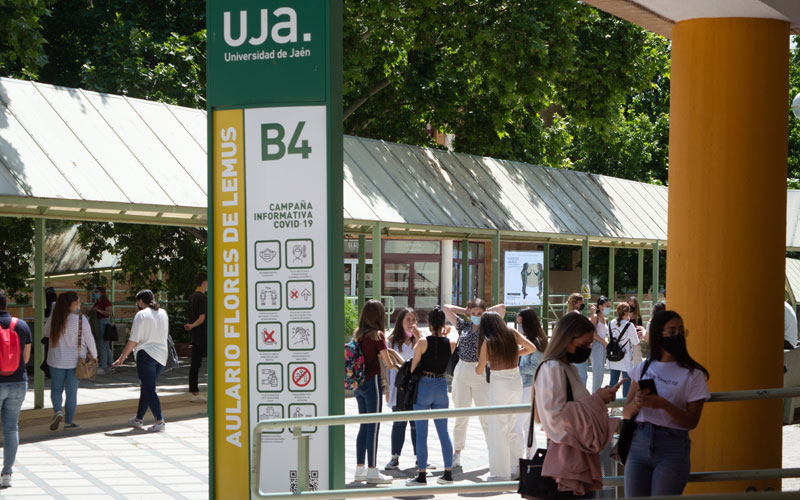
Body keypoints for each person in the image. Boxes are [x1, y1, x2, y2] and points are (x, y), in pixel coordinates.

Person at [623, 310, 710, 496]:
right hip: (638, 444)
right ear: (658, 334)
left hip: (673, 447)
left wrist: (663, 404)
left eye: (681, 331)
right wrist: (637, 403)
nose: (677, 336)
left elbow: (692, 421)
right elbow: (625, 413)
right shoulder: (643, 368)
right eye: (671, 331)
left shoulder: (693, 374)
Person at [533, 313, 620, 498]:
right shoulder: (553, 368)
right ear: (567, 338)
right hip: (568, 462)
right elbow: (556, 418)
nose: (588, 349)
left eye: (590, 344)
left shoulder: (567, 368)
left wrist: (598, 398)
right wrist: (597, 399)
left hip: (576, 457)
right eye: (585, 344)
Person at [443, 298, 506, 467]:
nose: (476, 316)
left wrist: (485, 313)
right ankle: (457, 453)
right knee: (460, 414)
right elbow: (446, 308)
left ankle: (493, 452)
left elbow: (502, 308)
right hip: (462, 369)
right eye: (474, 313)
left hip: (480, 370)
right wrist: (466, 311)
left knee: (485, 415)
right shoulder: (464, 325)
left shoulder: (489, 327)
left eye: (479, 313)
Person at [476, 312, 535, 481]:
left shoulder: (488, 342)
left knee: (498, 428)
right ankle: (516, 467)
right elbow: (532, 348)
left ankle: (500, 473)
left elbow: (479, 369)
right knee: (512, 426)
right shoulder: (512, 333)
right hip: (515, 380)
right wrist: (516, 353)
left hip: (499, 383)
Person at [406, 306, 457, 486]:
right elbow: (444, 347)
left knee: (421, 433)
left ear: (428, 323)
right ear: (444, 324)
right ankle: (448, 473)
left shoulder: (422, 343)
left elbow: (413, 367)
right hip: (441, 386)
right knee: (444, 432)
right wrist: (445, 334)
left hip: (424, 386)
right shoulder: (451, 343)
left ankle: (421, 475)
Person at [112, 290, 169, 432]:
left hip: (146, 354)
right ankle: (138, 419)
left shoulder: (141, 315)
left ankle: (160, 421)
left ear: (140, 301)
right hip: (162, 356)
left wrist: (122, 357)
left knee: (149, 389)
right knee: (146, 387)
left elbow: (133, 340)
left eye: (137, 301)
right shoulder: (163, 313)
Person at [351, 300, 393, 484]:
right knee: (374, 426)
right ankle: (372, 470)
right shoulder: (377, 335)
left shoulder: (358, 334)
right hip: (372, 383)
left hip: (358, 383)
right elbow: (388, 363)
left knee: (364, 425)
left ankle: (359, 469)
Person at [44, 291, 97, 431]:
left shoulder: (54, 317)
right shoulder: (81, 319)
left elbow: (45, 333)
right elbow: (89, 339)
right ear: (73, 303)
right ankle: (69, 422)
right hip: (76, 361)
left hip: (56, 359)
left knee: (56, 389)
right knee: (71, 392)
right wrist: (95, 355)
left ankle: (58, 411)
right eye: (79, 301)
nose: (80, 304)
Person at [0, 290, 32, 488]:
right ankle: (7, 474)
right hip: (19, 381)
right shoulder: (21, 325)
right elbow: (26, 358)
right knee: (11, 428)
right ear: (7, 303)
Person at [385, 308, 420, 470]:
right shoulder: (391, 342)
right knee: (399, 423)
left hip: (416, 388)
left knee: (416, 424)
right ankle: (395, 457)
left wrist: (418, 338)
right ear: (401, 322)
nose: (411, 323)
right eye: (408, 319)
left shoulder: (420, 340)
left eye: (414, 320)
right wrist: (386, 389)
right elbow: (386, 368)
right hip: (398, 388)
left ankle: (420, 457)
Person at [514, 307, 547, 454]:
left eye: (521, 323)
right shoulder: (530, 341)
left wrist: (516, 369)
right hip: (527, 386)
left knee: (517, 425)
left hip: (529, 386)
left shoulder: (536, 342)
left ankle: (518, 459)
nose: (519, 326)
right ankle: (531, 457)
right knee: (527, 426)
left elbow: (535, 367)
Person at [184, 273, 208, 402]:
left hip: (195, 335)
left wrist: (191, 326)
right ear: (205, 283)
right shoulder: (202, 298)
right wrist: (192, 325)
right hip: (204, 334)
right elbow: (202, 318)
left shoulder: (192, 296)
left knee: (195, 364)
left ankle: (194, 392)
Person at [608, 302, 639, 398]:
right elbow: (635, 342)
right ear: (628, 312)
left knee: (613, 381)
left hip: (613, 355)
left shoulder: (611, 323)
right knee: (626, 381)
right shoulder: (629, 325)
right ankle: (625, 402)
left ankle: (610, 402)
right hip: (625, 357)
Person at [566, 293, 589, 386]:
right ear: (576, 303)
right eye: (581, 302)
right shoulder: (577, 315)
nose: (583, 304)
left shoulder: (567, 315)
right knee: (582, 377)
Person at [589, 296, 611, 393]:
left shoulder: (603, 317)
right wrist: (604, 341)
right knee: (597, 373)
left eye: (609, 306)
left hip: (602, 346)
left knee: (601, 373)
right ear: (600, 306)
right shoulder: (595, 317)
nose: (609, 308)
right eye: (607, 306)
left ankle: (596, 394)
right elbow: (592, 333)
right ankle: (595, 395)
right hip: (596, 346)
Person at [90, 287, 113, 374]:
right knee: (105, 346)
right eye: (94, 292)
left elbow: (109, 313)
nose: (95, 293)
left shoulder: (106, 302)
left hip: (104, 323)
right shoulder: (97, 303)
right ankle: (110, 366)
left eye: (97, 292)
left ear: (102, 293)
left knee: (101, 345)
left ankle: (102, 366)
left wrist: (99, 310)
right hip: (98, 323)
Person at [628, 296, 646, 364]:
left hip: (635, 344)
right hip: (625, 344)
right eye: (629, 305)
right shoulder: (624, 318)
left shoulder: (638, 318)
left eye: (632, 305)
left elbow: (639, 333)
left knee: (636, 363)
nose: (630, 307)